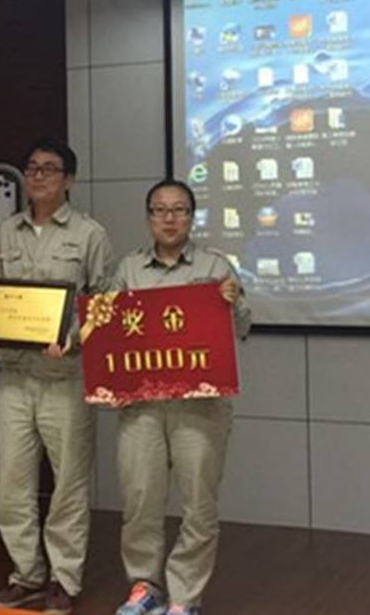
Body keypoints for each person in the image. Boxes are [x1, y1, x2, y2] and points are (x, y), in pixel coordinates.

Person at [0, 138, 114, 615]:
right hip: (15, 378)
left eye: (49, 169)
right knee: (12, 484)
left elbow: (103, 306)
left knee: (68, 485)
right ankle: (26, 574)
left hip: (65, 377)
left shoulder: (90, 234)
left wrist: (74, 338)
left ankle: (63, 578)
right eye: (32, 168)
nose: (37, 177)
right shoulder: (7, 231)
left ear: (69, 180)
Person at [113, 180, 251, 615]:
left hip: (200, 406)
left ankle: (185, 597)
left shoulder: (216, 266)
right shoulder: (128, 269)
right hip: (142, 406)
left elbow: (242, 328)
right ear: (149, 217)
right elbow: (109, 332)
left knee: (198, 505)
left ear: (192, 217)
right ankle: (144, 586)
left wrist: (233, 303)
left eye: (179, 210)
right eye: (160, 210)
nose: (169, 218)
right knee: (140, 500)